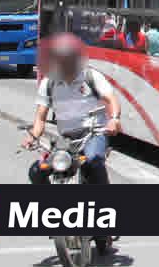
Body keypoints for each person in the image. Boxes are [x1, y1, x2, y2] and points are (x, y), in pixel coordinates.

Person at [22, 33, 121, 186]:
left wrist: (114, 119)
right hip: (66, 140)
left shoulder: (90, 76)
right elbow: (41, 117)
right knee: (37, 171)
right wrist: (33, 136)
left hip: (93, 134)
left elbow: (111, 99)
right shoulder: (49, 83)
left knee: (93, 161)